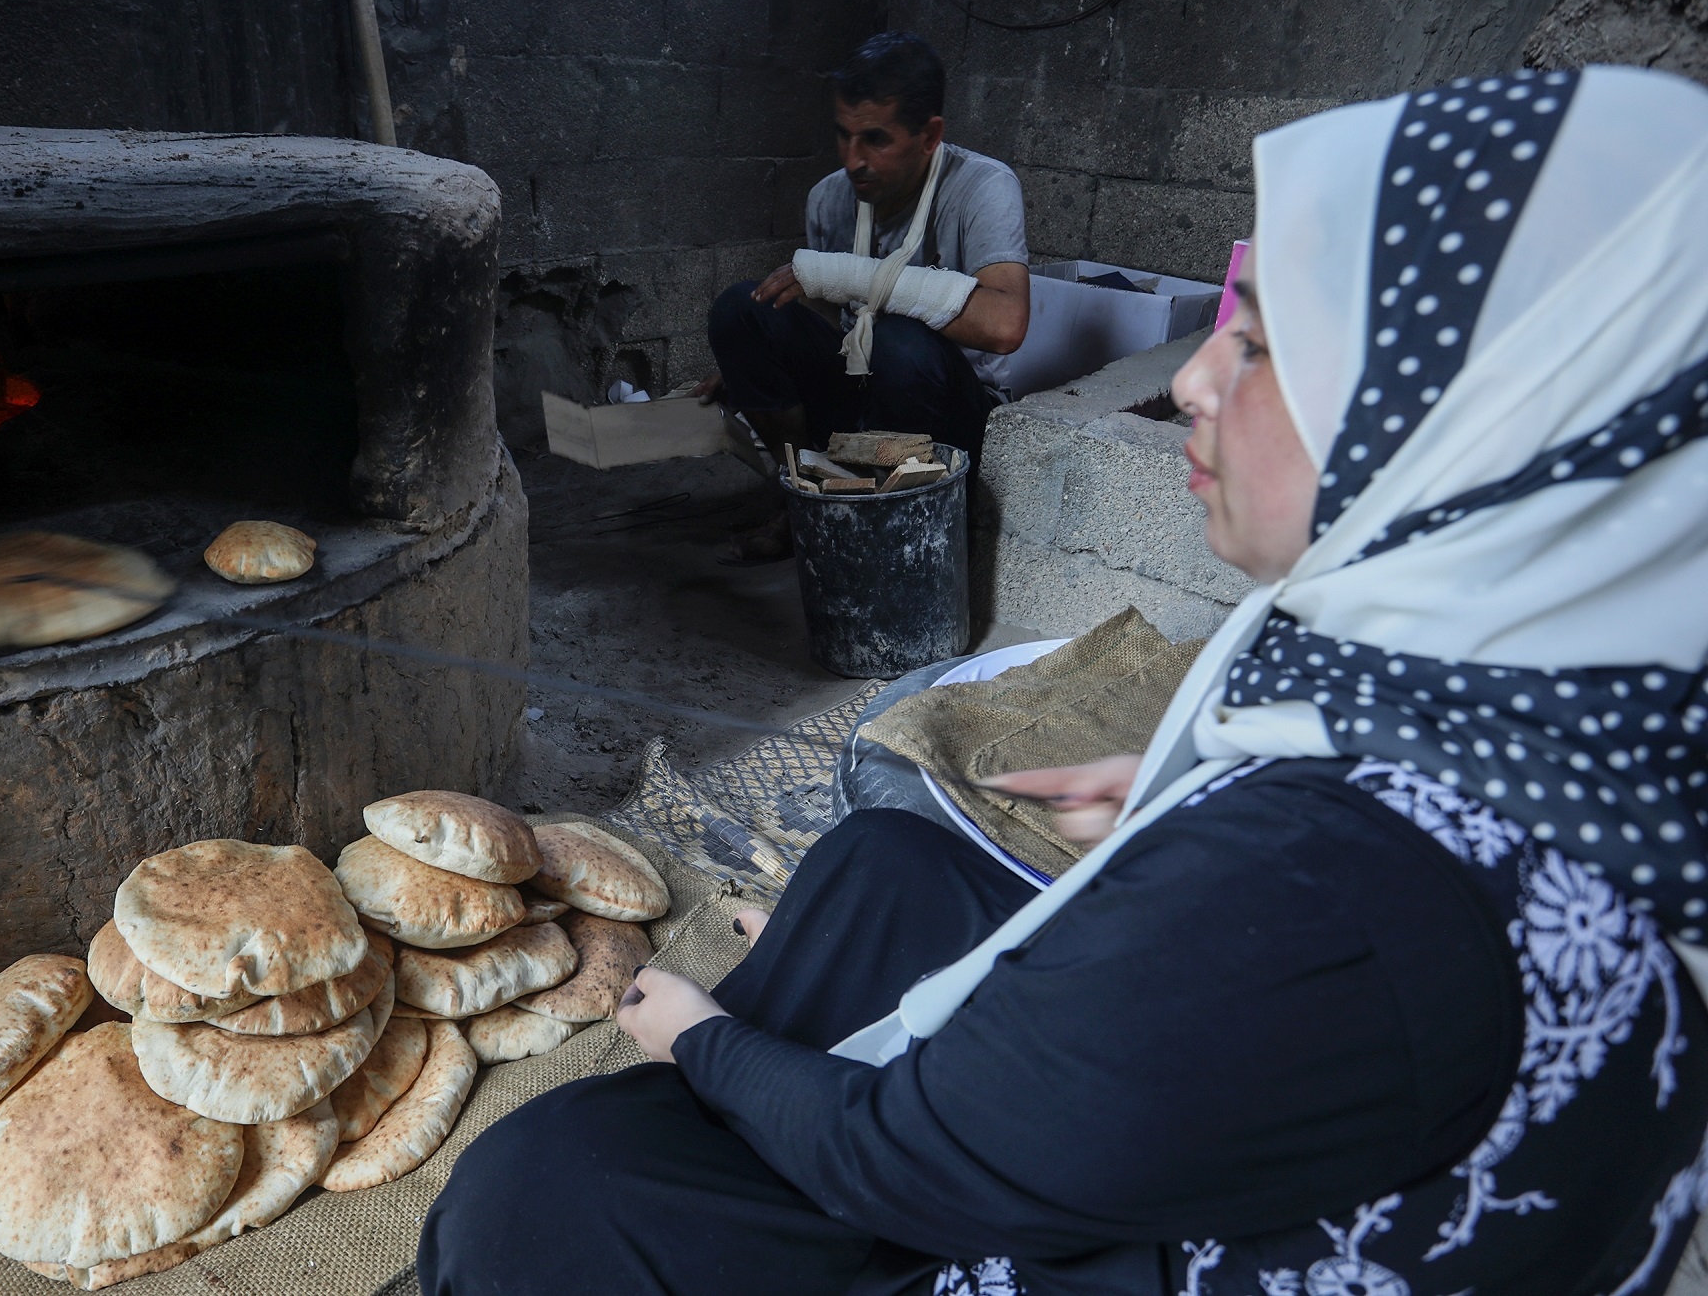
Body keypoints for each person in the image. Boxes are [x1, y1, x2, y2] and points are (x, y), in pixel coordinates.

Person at [420, 66, 1708, 1296]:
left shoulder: (1324, 883)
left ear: (1457, 422)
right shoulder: (1555, 682)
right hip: (1281, 1080)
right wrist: (1170, 805)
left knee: (540, 1193)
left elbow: (909, 1164)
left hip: (1106, 1245)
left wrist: (698, 1037)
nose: (1196, 377)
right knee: (885, 861)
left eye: (1259, 348)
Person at [698, 31, 1030, 563]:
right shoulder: (830, 198)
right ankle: (808, 495)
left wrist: (850, 275)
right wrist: (754, 363)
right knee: (741, 312)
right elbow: (834, 328)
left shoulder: (983, 187)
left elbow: (1007, 323)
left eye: (875, 139)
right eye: (843, 136)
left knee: (899, 341)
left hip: (949, 419)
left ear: (929, 136)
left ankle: (901, 534)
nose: (854, 160)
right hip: (859, 402)